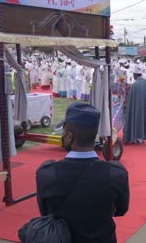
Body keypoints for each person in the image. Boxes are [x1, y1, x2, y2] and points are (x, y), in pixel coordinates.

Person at [35, 102, 130, 243]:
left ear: (69, 136)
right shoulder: (116, 174)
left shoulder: (47, 174)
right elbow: (121, 210)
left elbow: (45, 212)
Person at [123, 64, 146, 144]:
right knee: (144, 119)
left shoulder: (135, 85)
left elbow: (130, 99)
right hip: (145, 107)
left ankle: (136, 137)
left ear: (135, 74)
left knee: (137, 119)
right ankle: (142, 136)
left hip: (137, 108)